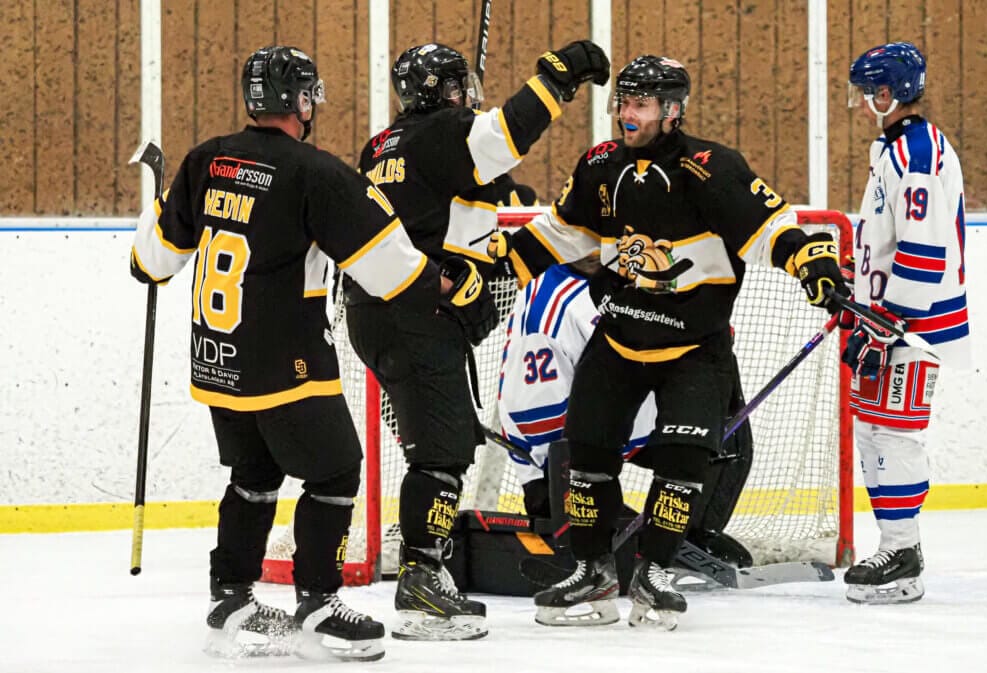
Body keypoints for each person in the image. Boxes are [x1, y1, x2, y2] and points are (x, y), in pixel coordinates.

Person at [129, 45, 489, 661]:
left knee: (254, 475)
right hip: (286, 363)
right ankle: (319, 606)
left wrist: (155, 212)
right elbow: (389, 269)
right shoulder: (315, 172)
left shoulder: (206, 160)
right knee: (336, 470)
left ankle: (231, 599)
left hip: (217, 361)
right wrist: (448, 285)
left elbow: (149, 263)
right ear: (300, 100)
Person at [488, 54, 846, 630]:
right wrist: (491, 268)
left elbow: (771, 228)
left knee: (683, 468)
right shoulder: (601, 165)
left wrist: (811, 259)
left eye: (641, 104)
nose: (627, 115)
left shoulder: (711, 168)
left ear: (673, 111)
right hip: (618, 339)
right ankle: (592, 571)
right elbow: (558, 233)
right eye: (623, 102)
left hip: (694, 351)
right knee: (587, 459)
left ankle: (654, 572)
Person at [347, 40, 609, 641]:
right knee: (441, 453)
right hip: (417, 311)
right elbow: (508, 133)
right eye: (458, 87)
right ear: (444, 91)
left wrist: (481, 247)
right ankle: (421, 580)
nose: (467, 95)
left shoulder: (381, 146)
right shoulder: (445, 132)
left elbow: (438, 219)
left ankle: (425, 569)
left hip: (374, 311)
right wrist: (559, 76)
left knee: (445, 440)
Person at [496, 256, 754, 568]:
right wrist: (556, 483)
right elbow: (537, 413)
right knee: (721, 439)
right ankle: (673, 539)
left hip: (571, 438)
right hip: (570, 442)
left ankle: (685, 537)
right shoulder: (571, 300)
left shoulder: (566, 282)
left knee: (716, 418)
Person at [841, 42, 970, 604]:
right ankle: (896, 548)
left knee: (895, 434)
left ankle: (903, 554)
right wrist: (856, 279)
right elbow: (887, 235)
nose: (860, 101)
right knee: (872, 430)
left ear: (888, 93)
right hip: (886, 318)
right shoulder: (893, 148)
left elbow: (924, 246)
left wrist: (889, 317)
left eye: (866, 91)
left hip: (913, 325)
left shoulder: (918, 153)